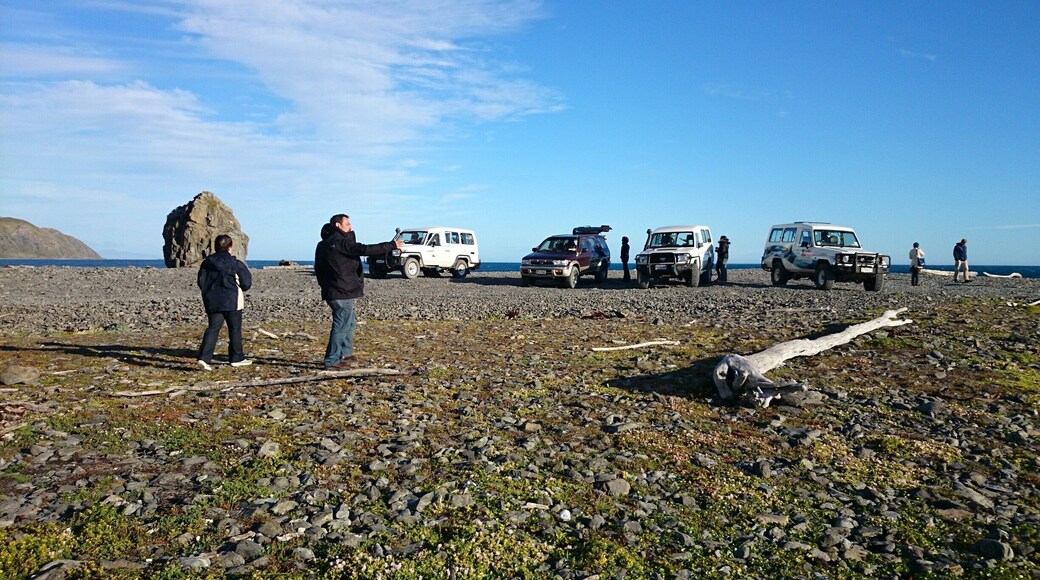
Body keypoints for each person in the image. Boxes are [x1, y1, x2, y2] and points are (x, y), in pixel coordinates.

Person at [314, 214, 403, 370]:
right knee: (341, 324)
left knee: (349, 321)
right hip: (340, 291)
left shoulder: (324, 244)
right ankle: (332, 360)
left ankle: (345, 354)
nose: (351, 227)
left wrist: (324, 286)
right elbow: (365, 249)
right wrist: (391, 245)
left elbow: (319, 269)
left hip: (336, 290)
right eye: (347, 224)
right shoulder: (340, 243)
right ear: (338, 225)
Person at [196, 234, 252, 370]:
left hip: (213, 299)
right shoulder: (235, 263)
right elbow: (246, 283)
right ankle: (236, 357)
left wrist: (208, 292)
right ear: (230, 247)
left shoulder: (207, 263)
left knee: (213, 328)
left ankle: (204, 357)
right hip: (232, 299)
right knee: (234, 329)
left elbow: (201, 281)